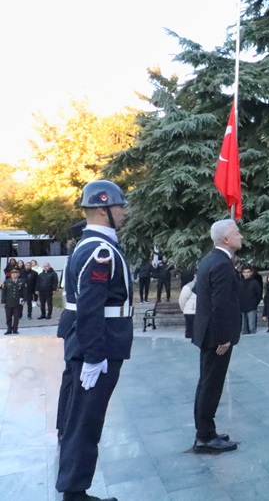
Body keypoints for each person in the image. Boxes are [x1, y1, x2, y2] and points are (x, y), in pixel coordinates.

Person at [55, 179, 133, 501]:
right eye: (119, 206)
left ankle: (73, 487)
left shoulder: (88, 245)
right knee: (86, 422)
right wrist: (93, 357)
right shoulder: (101, 250)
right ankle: (75, 493)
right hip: (98, 345)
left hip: (87, 342)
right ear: (103, 209)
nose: (124, 211)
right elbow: (90, 307)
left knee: (77, 420)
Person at [191, 220, 243, 453]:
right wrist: (224, 337)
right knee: (211, 385)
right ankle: (205, 435)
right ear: (226, 240)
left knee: (207, 383)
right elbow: (219, 305)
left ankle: (206, 430)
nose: (241, 236)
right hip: (216, 336)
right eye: (237, 233)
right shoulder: (221, 264)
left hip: (209, 333)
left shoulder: (211, 260)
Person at [238, 266, 263, 335]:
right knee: (243, 329)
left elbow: (259, 295)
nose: (246, 274)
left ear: (251, 273)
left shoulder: (255, 283)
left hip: (252, 308)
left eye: (248, 272)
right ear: (242, 273)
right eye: (245, 272)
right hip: (242, 308)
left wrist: (254, 304)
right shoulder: (239, 283)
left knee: (252, 328)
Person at [2, 268, 26, 334]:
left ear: (18, 274)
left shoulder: (22, 281)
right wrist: (3, 301)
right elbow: (4, 292)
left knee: (16, 316)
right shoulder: (7, 281)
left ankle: (15, 329)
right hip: (9, 302)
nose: (14, 275)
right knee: (8, 316)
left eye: (15, 273)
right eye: (12, 273)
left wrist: (24, 299)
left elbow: (24, 291)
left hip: (18, 302)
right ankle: (9, 329)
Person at [178, 275, 197, 340]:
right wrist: (184, 310)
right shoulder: (188, 287)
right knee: (190, 331)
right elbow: (182, 300)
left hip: (199, 312)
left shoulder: (204, 285)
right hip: (190, 312)